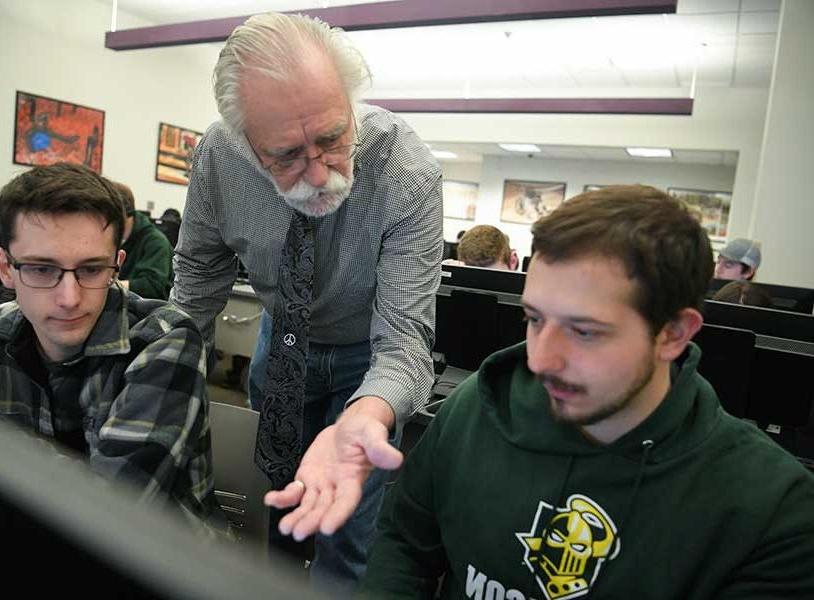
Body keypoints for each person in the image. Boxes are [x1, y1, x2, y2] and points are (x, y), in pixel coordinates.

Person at [361, 185, 814, 599]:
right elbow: (404, 543)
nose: (540, 361)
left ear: (673, 334)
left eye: (584, 332)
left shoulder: (770, 509)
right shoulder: (478, 407)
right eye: (535, 319)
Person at [170, 12, 442, 590]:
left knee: (348, 529)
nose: (319, 175)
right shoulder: (219, 156)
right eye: (287, 155)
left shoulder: (405, 169)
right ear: (246, 141)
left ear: (349, 103)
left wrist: (366, 416)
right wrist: (163, 366)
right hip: (281, 338)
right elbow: (198, 275)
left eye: (331, 139)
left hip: (366, 355)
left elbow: (405, 344)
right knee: (281, 506)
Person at [0, 162, 220, 528]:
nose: (69, 298)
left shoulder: (165, 340)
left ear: (117, 265)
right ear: (5, 268)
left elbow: (110, 512)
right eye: (41, 269)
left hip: (163, 564)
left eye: (91, 270)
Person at [112, 181, 175, 300]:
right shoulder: (113, 237)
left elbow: (152, 285)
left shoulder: (155, 242)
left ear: (126, 211)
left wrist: (109, 286)